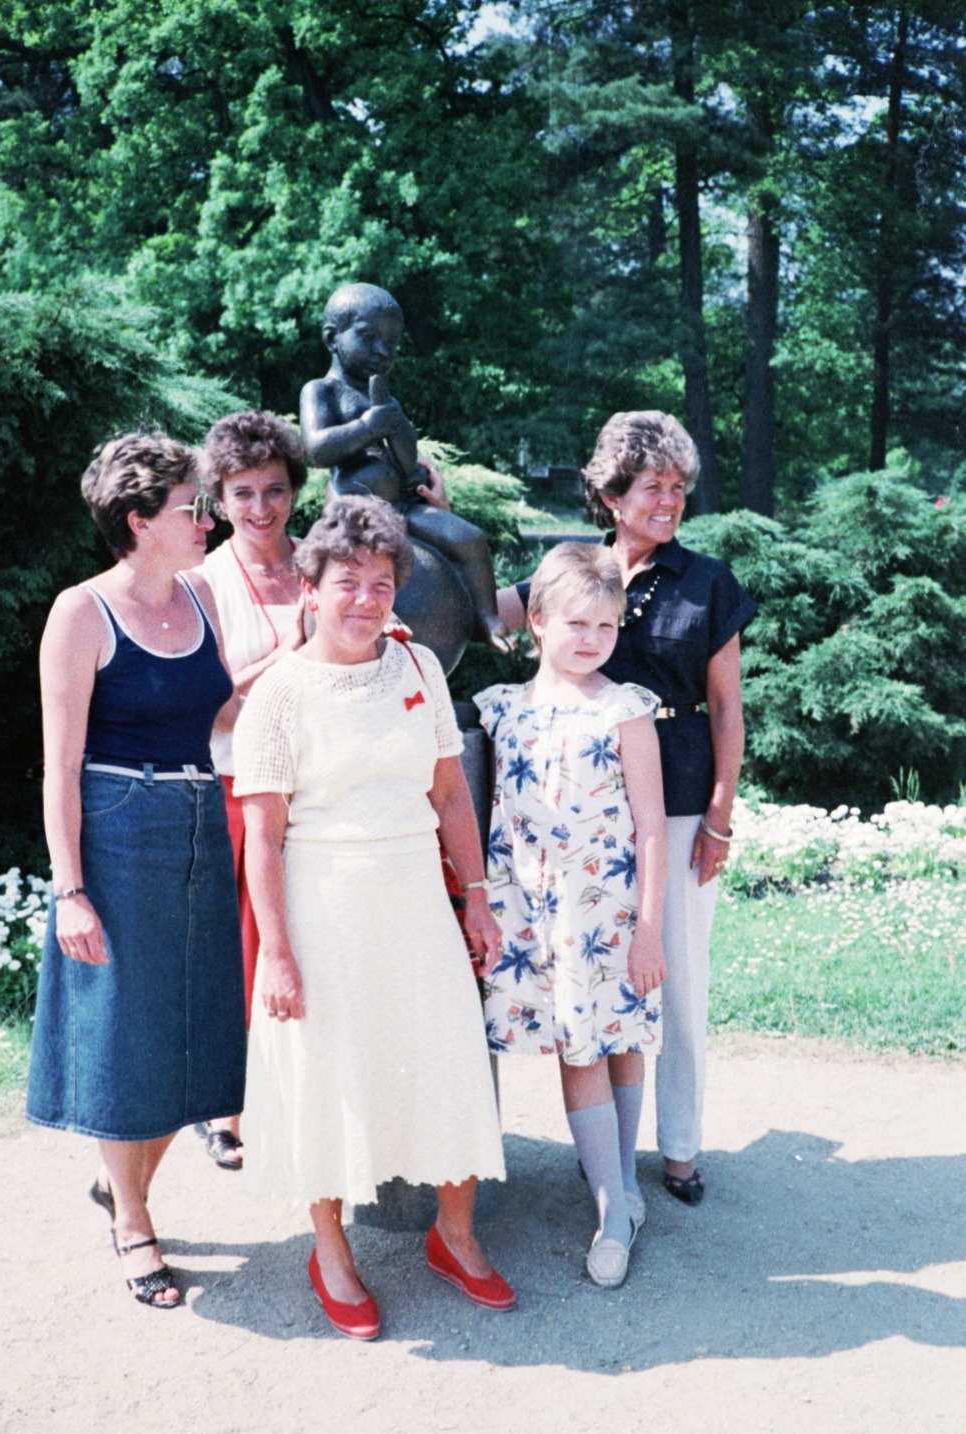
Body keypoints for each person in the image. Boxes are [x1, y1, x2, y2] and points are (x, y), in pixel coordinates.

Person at [232, 494, 513, 1341]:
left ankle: (453, 1235)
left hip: (415, 900)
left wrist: (475, 895)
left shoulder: (419, 668)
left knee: (447, 1061)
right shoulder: (277, 695)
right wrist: (275, 953)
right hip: (322, 904)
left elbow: (450, 790)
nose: (365, 598)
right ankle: (331, 1252)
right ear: (309, 589)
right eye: (347, 581)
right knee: (328, 1075)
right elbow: (263, 839)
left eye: (381, 583)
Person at [498, 411, 757, 1208]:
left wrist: (719, 811)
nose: (669, 500)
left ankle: (676, 1148)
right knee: (585, 981)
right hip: (573, 819)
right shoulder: (571, 567)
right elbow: (492, 615)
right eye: (653, 487)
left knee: (672, 978)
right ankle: (604, 1148)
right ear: (612, 496)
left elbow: (726, 709)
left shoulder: (706, 581)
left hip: (671, 799)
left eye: (679, 488)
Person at [26, 431, 245, 1308]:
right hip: (118, 828)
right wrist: (68, 888)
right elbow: (60, 764)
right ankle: (133, 1220)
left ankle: (120, 1182)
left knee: (194, 1020)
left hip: (200, 818)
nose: (210, 520)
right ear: (139, 520)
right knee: (128, 1028)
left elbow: (224, 704)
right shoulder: (80, 613)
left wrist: (327, 649)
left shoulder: (199, 595)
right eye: (194, 507)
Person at [477, 542, 666, 1288]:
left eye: (607, 625)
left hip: (611, 910)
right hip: (536, 912)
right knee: (575, 1046)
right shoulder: (504, 710)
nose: (591, 638)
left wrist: (648, 926)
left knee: (616, 1038)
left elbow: (650, 823)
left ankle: (617, 1200)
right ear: (537, 623)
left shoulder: (625, 710)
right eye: (575, 622)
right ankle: (612, 1197)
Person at [194, 410, 311, 1171]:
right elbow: (210, 704)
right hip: (237, 785)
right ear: (218, 497)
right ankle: (226, 1106)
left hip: (320, 784)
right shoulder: (201, 583)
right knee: (243, 948)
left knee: (311, 943)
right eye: (243, 492)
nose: (261, 507)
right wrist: (293, 649)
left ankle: (297, 1093)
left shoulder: (320, 563)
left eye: (274, 489)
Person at [299, 281, 512, 653]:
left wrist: (401, 440)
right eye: (369, 337)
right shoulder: (321, 391)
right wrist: (369, 426)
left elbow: (405, 457)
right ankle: (383, 614)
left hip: (401, 508)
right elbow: (317, 449)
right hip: (354, 510)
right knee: (361, 561)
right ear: (333, 338)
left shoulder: (383, 396)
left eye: (392, 343)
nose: (383, 351)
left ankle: (487, 619)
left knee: (471, 539)